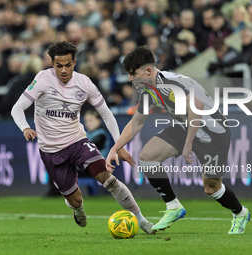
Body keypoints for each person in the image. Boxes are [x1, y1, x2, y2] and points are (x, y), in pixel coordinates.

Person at [11, 41, 154, 234]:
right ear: (52, 63)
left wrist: (119, 145)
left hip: (77, 141)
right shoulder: (42, 79)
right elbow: (17, 108)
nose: (63, 70)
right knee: (75, 199)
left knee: (108, 179)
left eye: (68, 65)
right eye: (58, 65)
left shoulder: (84, 83)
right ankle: (77, 208)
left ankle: (141, 219)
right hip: (51, 151)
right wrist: (25, 127)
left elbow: (106, 114)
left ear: (75, 62)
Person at [106, 46, 250, 234]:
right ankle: (173, 206)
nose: (130, 79)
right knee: (147, 156)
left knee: (211, 188)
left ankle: (240, 213)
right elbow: (137, 123)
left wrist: (188, 144)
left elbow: (196, 107)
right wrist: (115, 148)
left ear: (148, 70)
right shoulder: (148, 91)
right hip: (185, 127)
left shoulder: (172, 83)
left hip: (213, 133)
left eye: (134, 73)